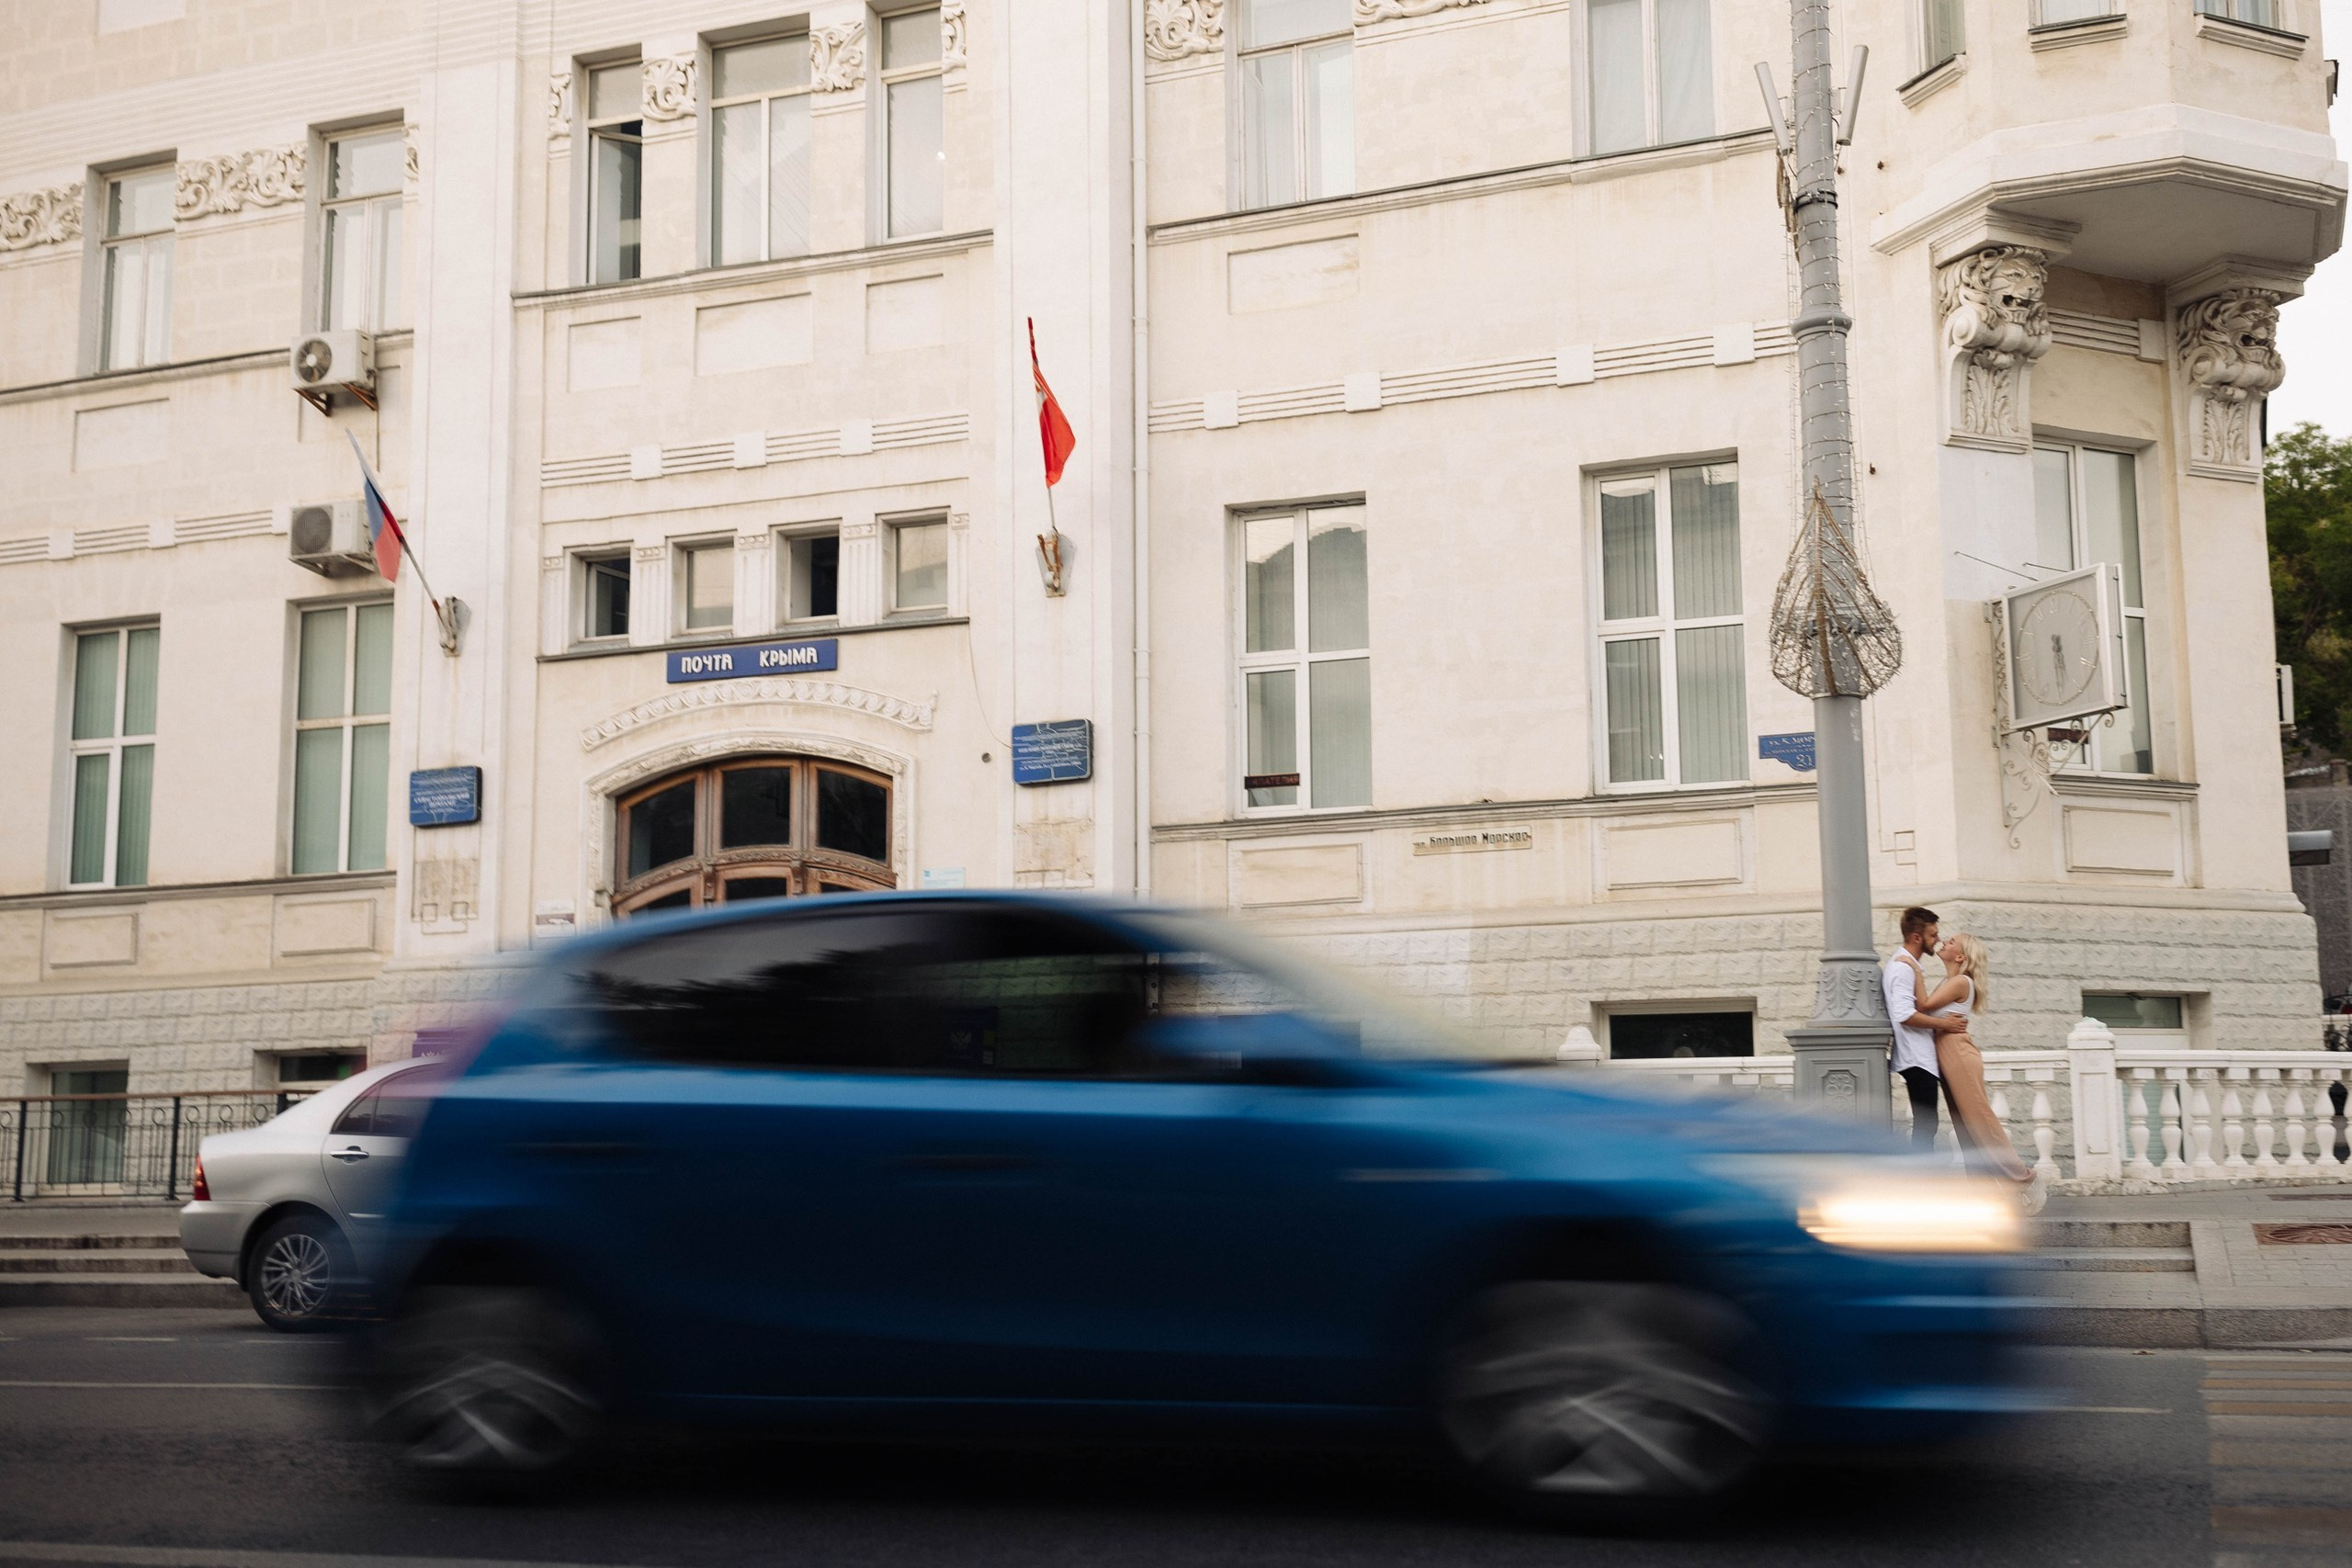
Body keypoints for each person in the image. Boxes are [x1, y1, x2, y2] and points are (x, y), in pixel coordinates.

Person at [1914, 931, 2047, 1213]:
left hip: (1959, 1055)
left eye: (1951, 942)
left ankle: (2025, 1180)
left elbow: (1922, 1006)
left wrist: (1912, 966)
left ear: (1960, 956)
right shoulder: (1950, 981)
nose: (1944, 942)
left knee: (1980, 1122)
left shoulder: (1961, 981)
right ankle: (1988, 1193)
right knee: (1965, 1127)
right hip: (1948, 1055)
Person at [1883, 907, 1966, 1155]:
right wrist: (1946, 1024)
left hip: (1919, 1057)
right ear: (1917, 937)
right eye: (1933, 935)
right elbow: (1905, 1015)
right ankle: (1920, 1180)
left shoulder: (1909, 966)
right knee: (1926, 1124)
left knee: (1927, 1123)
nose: (1938, 940)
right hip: (1915, 1058)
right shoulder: (1902, 968)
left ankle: (1921, 1177)